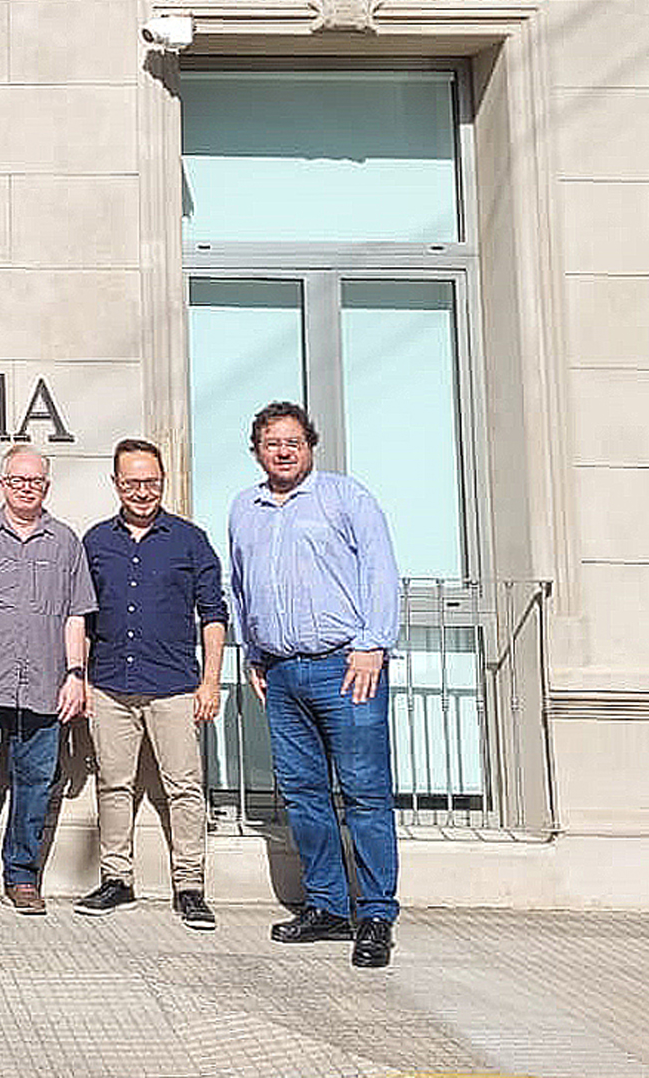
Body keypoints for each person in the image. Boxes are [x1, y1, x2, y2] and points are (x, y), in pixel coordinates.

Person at [228, 400, 401, 968]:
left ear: (310, 446)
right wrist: (254, 652)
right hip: (279, 671)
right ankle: (327, 904)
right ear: (257, 450)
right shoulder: (243, 510)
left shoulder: (345, 498)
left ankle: (375, 912)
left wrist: (373, 643)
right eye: (272, 442)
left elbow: (379, 569)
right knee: (303, 794)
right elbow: (242, 587)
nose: (283, 451)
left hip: (346, 666)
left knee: (364, 793)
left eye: (293, 442)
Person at [78, 438, 226, 929]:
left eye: (151, 481)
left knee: (184, 788)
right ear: (116, 484)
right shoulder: (96, 542)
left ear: (163, 481)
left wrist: (210, 682)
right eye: (132, 482)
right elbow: (80, 615)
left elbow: (213, 614)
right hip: (110, 684)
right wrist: (77, 678)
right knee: (113, 785)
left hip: (174, 686)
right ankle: (116, 880)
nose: (142, 491)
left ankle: (189, 886)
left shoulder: (190, 540)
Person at [0, 445, 94, 916]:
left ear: (46, 486)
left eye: (35, 481)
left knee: (34, 785)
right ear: (3, 483)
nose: (26, 487)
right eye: (17, 480)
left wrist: (76, 676)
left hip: (45, 687)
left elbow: (76, 615)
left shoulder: (66, 542)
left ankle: (22, 876)